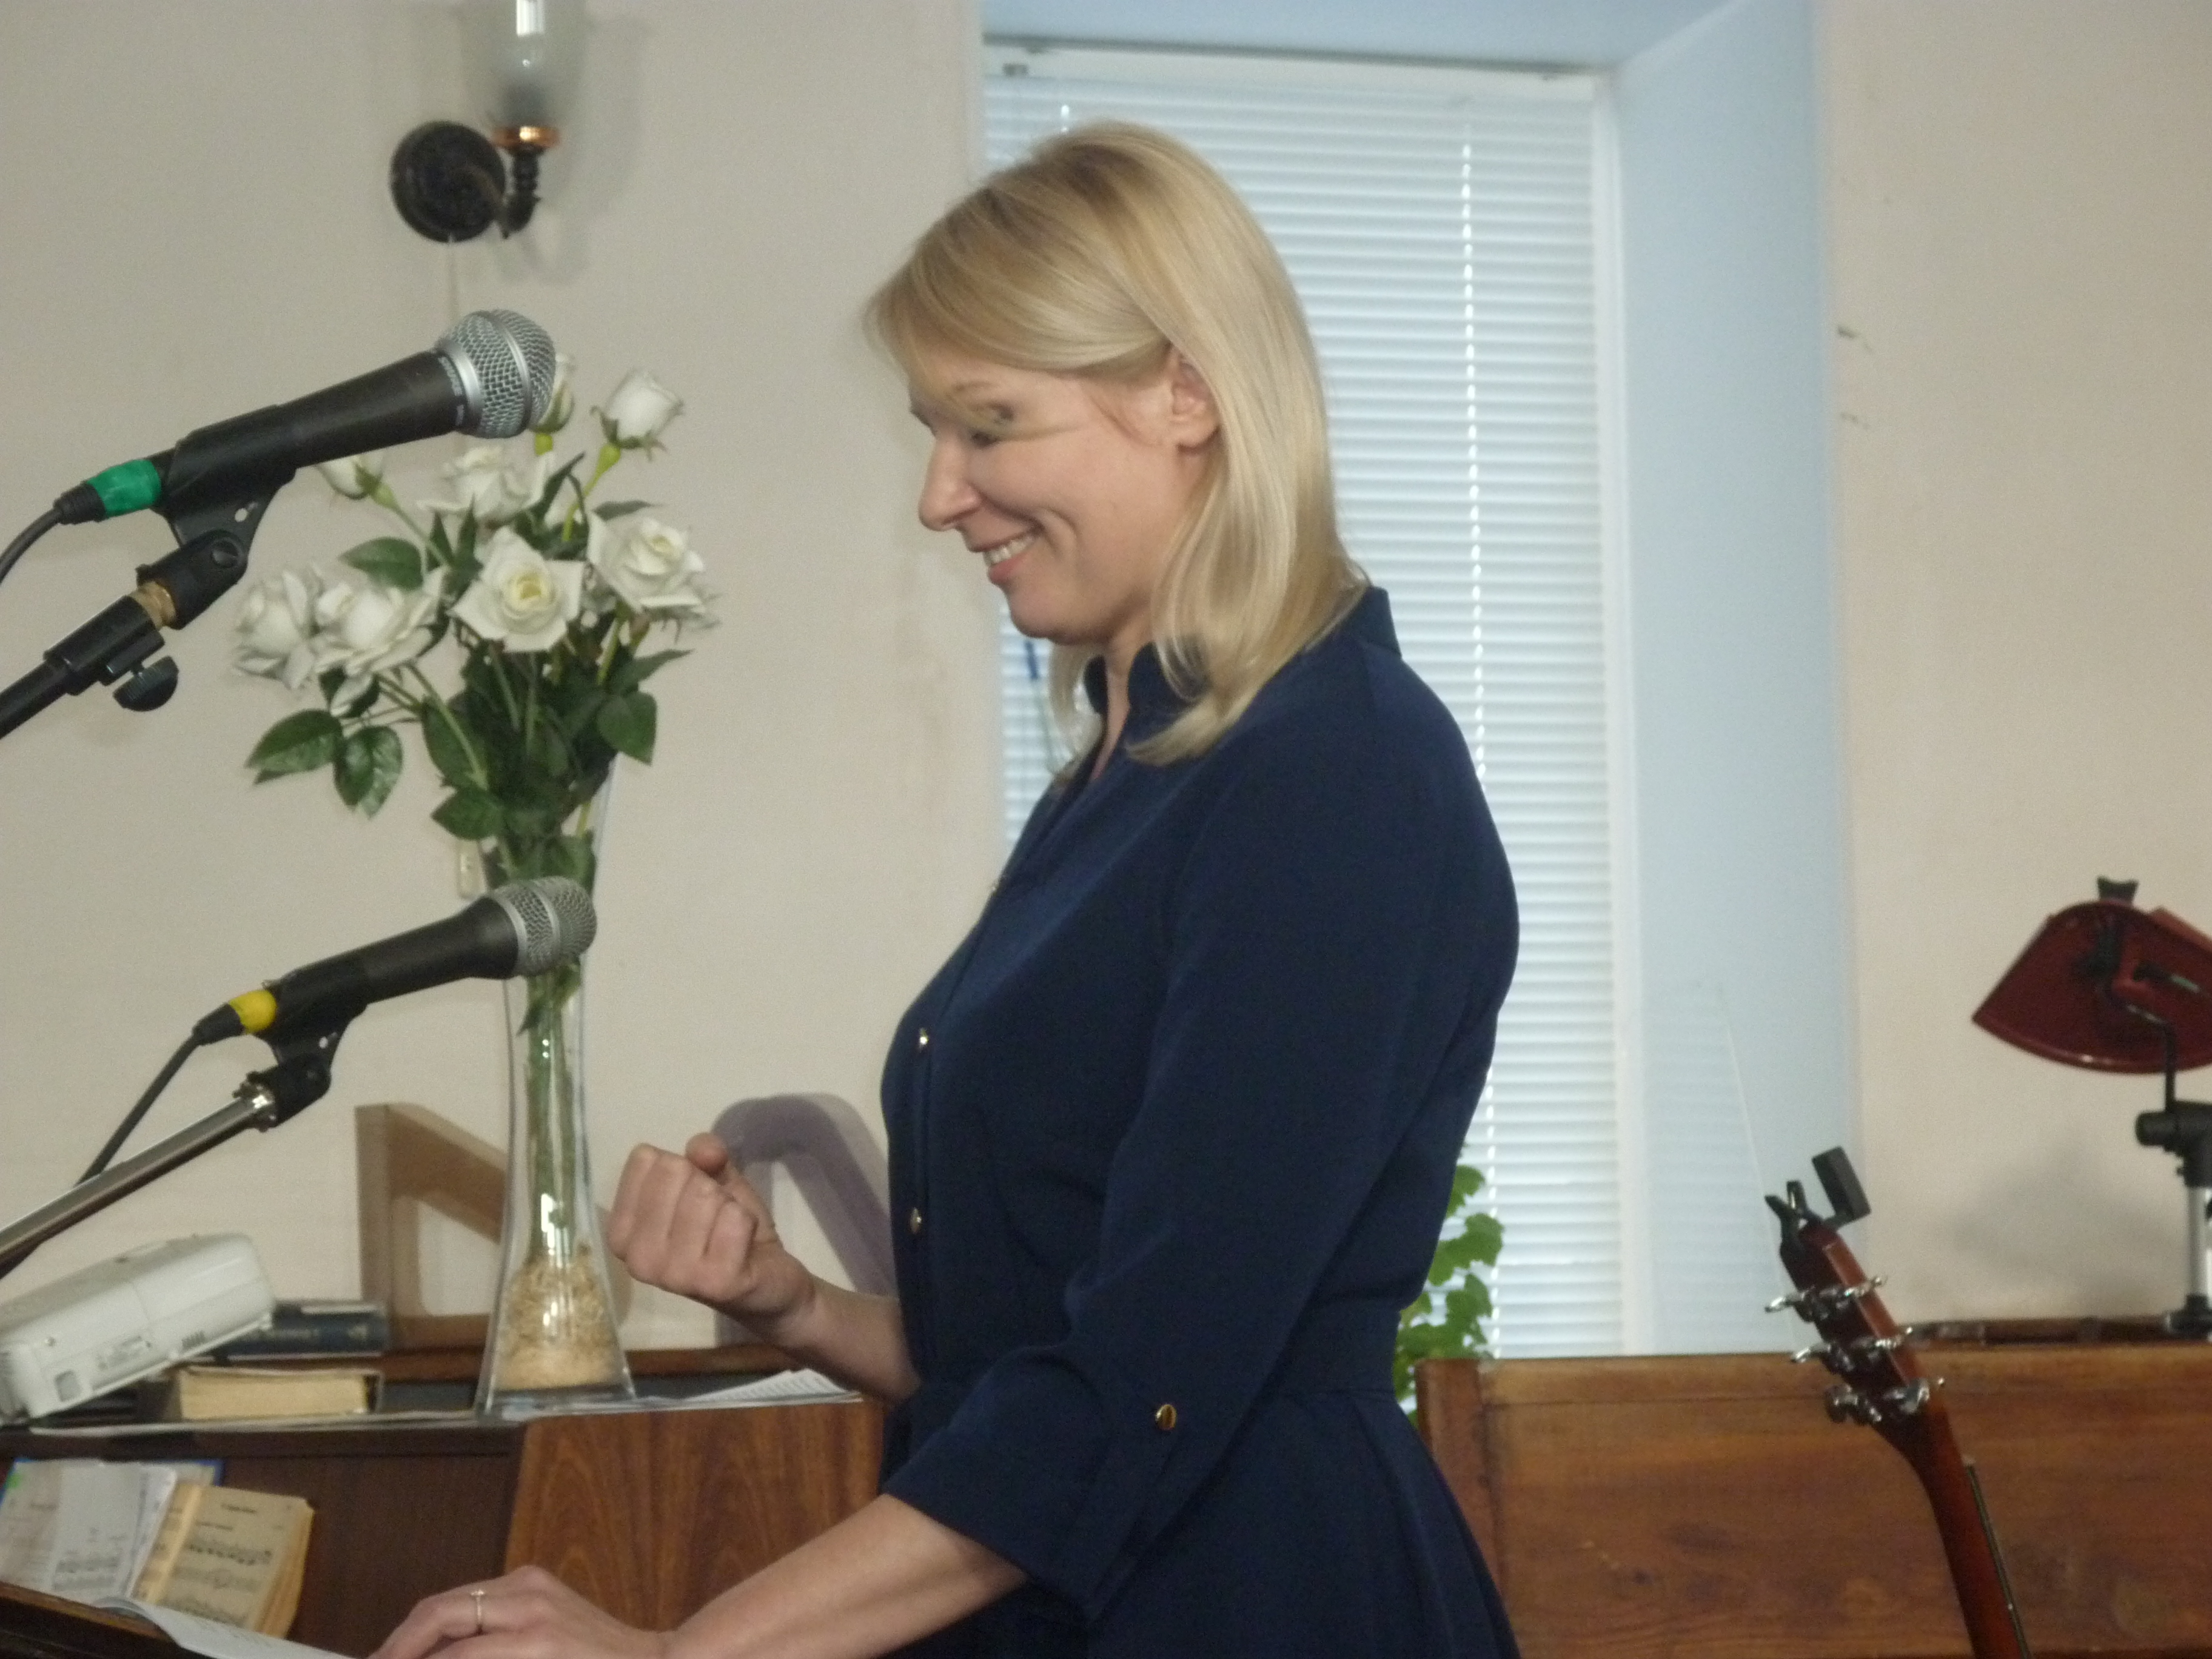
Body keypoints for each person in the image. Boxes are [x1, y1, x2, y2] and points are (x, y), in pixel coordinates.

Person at [374, 122, 1519, 1659]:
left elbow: (1143, 1383)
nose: (940, 495)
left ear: (1186, 395)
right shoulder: (1127, 767)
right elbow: (1035, 1353)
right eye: (935, 431)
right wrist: (797, 1306)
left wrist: (676, 1654)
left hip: (1251, 1598)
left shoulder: (1336, 771)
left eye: (991, 426)